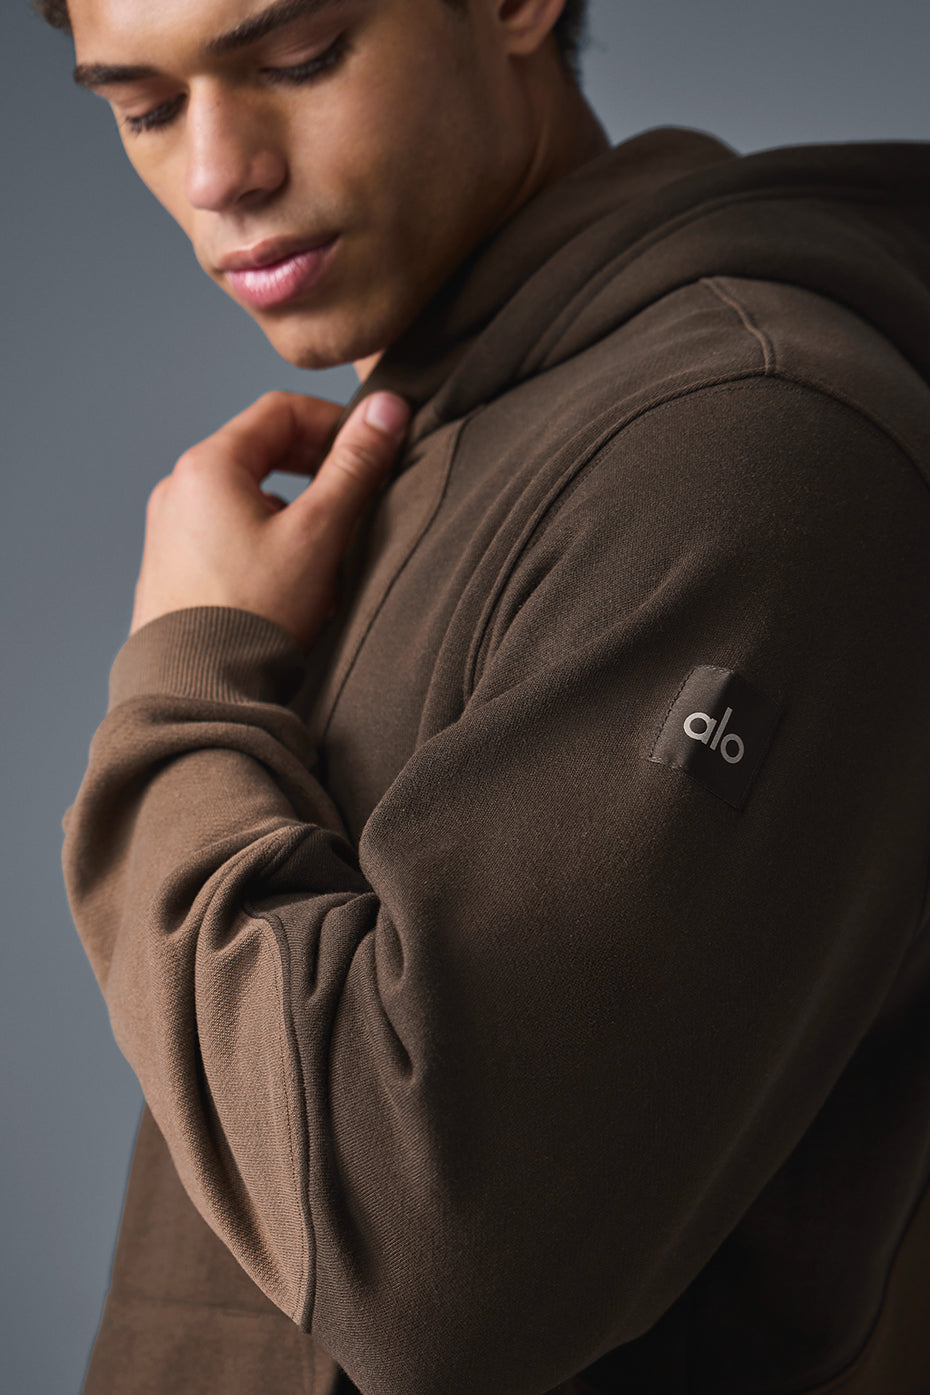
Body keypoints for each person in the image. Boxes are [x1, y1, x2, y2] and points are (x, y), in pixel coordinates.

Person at [37, 0, 930, 1390]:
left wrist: (187, 688)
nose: (217, 175)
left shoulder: (741, 447)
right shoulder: (456, 440)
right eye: (144, 107)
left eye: (297, 59)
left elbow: (424, 1274)